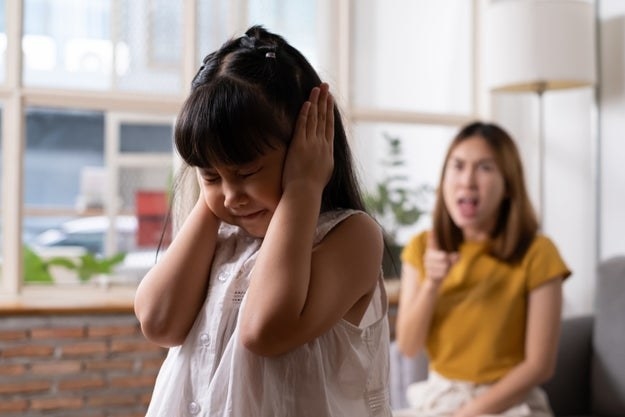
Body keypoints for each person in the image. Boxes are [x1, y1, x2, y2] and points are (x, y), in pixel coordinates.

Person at [134, 25, 391, 417]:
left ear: (308, 149)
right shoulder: (220, 237)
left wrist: (303, 187)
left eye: (247, 171)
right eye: (210, 175)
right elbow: (158, 321)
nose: (232, 196)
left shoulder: (351, 236)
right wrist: (210, 199)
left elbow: (265, 330)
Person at [394, 121, 571, 417]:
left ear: (508, 185)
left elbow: (540, 365)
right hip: (440, 397)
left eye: (485, 168)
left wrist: (467, 414)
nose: (467, 181)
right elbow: (409, 347)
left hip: (509, 403)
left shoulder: (538, 252)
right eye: (458, 166)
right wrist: (431, 285)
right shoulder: (422, 247)